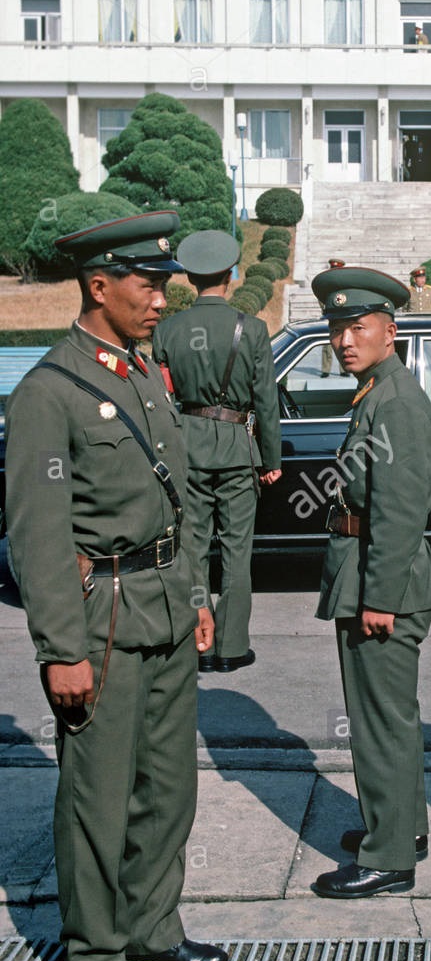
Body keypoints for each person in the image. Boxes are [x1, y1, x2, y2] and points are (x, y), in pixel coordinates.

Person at [4, 211, 225, 961]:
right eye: (148, 283)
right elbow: (37, 534)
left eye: (165, 283)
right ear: (98, 286)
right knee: (98, 794)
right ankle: (96, 955)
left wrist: (197, 595)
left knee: (167, 788)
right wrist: (62, 649)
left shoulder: (142, 375)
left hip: (165, 607)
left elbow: (184, 503)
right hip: (100, 620)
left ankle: (152, 927)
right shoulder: (50, 394)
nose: (162, 298)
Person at [310, 267, 431, 899]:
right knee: (394, 716)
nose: (343, 339)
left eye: (357, 327)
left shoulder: (394, 401)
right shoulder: (377, 392)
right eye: (337, 328)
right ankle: (401, 827)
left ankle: (388, 857)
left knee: (378, 721)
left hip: (382, 581)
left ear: (390, 332)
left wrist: (379, 600)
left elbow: (398, 511)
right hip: (369, 573)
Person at [151, 230, 282, 675]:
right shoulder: (254, 329)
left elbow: (160, 399)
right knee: (237, 550)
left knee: (190, 549)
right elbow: (266, 401)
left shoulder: (167, 329)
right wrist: (271, 460)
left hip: (186, 449)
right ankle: (231, 646)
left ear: (189, 278)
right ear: (231, 274)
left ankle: (198, 642)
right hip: (236, 450)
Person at [406, 266, 431, 379]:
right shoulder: (409, 291)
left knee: (430, 348)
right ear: (415, 279)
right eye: (420, 278)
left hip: (426, 324)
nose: (422, 280)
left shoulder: (430, 290)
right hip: (413, 324)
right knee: (411, 350)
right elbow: (405, 309)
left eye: (423, 277)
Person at [320, 259, 346, 375]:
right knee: (327, 345)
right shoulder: (326, 284)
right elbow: (321, 298)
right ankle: (326, 369)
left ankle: (344, 369)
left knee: (343, 342)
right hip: (329, 315)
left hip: (342, 316)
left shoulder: (343, 284)